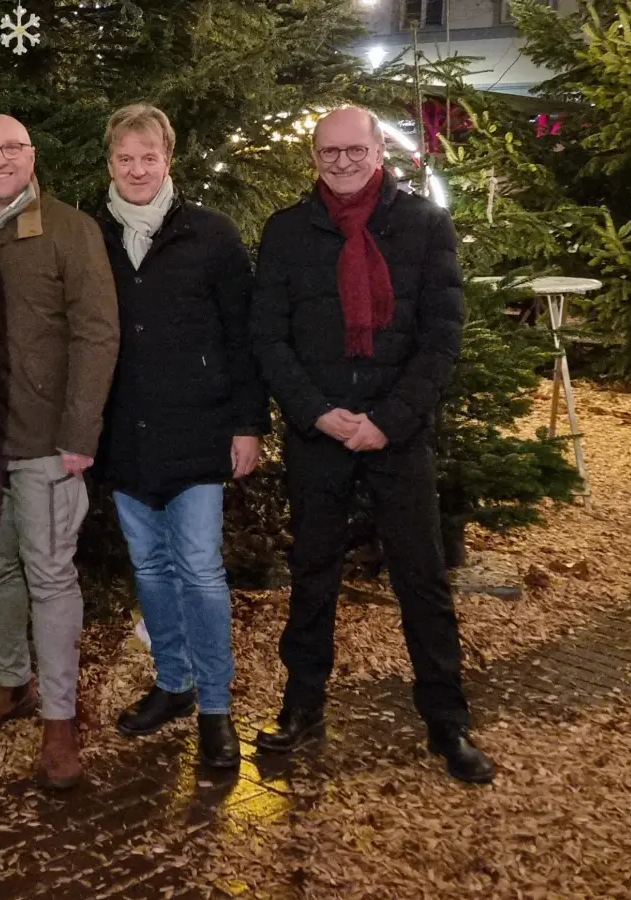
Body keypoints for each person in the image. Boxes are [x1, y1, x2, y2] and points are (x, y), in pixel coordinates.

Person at [250, 106, 494, 784]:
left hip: (398, 433)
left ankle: (447, 722)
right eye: (329, 152)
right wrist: (317, 414)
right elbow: (268, 336)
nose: (342, 162)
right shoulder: (287, 233)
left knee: (421, 577)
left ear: (377, 151)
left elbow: (441, 339)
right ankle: (302, 707)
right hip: (320, 433)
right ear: (314, 157)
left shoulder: (422, 225)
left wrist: (388, 420)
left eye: (354, 150)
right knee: (312, 575)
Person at [93, 104, 267, 771]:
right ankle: (174, 682)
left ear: (169, 159)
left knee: (199, 569)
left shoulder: (211, 236)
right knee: (150, 570)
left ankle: (218, 707)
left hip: (198, 429)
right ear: (110, 162)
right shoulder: (93, 236)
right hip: (125, 437)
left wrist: (248, 424)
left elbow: (242, 338)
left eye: (149, 157)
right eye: (124, 159)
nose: (137, 170)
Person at [0, 114, 120, 791]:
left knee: (50, 576)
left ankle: (59, 718)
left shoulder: (69, 230)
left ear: (32, 153)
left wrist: (80, 434)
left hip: (49, 444)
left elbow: (98, 335)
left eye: (11, 147)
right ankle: (12, 682)